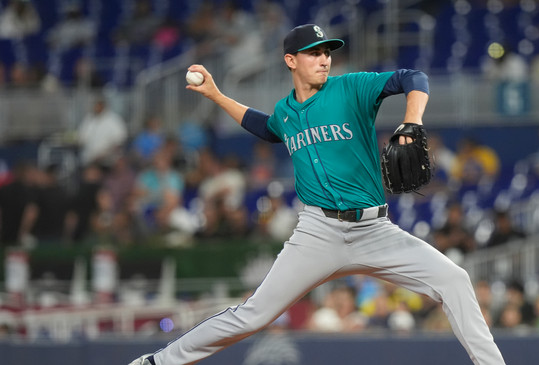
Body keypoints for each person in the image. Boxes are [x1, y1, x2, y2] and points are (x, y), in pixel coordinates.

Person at [129, 24, 505, 365]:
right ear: (291, 60)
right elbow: (266, 127)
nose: (324, 59)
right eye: (314, 52)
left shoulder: (351, 87)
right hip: (318, 233)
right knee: (254, 313)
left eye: (327, 52)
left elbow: (413, 77)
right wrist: (216, 95)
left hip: (375, 230)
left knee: (454, 280)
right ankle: (158, 363)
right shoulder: (286, 111)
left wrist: (412, 120)